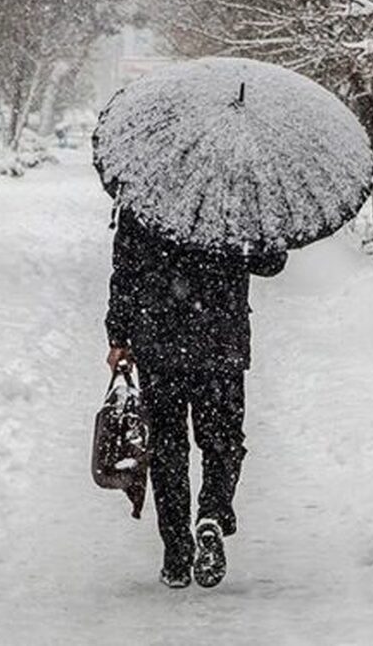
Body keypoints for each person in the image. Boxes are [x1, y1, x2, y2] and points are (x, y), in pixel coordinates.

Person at [105, 208, 286, 589]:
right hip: (221, 341)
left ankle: (176, 552)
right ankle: (213, 514)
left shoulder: (147, 192)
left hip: (158, 338)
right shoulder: (239, 196)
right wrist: (242, 241)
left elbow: (125, 270)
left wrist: (118, 337)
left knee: (167, 447)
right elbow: (272, 262)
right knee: (223, 439)